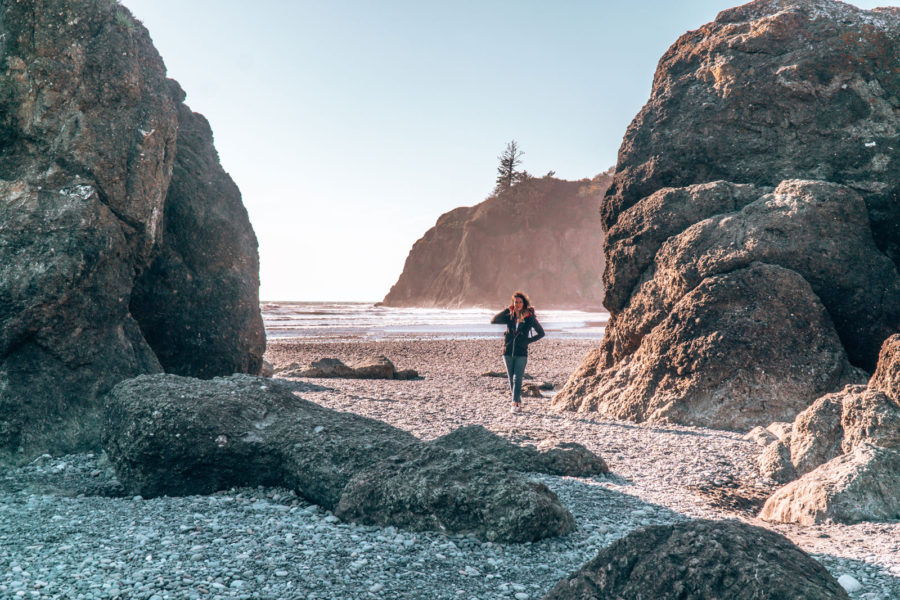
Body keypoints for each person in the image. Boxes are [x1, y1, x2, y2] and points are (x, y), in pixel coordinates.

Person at [491, 291, 545, 413]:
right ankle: (518, 401)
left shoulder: (529, 317)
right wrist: (506, 310)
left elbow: (541, 333)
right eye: (516, 302)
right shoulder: (509, 316)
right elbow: (494, 320)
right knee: (511, 378)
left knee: (517, 378)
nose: (518, 304)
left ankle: (514, 403)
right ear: (513, 303)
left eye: (520, 302)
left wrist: (527, 341)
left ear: (524, 303)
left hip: (521, 353)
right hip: (508, 351)